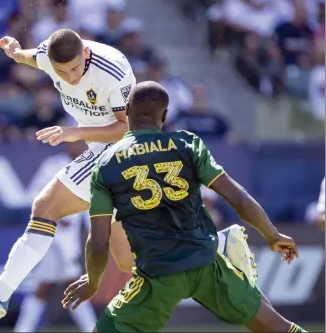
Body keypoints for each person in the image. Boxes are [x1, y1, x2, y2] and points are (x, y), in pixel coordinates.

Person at [0, 29, 257, 320]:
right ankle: (218, 244)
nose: (69, 77)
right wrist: (17, 53)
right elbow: (35, 57)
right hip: (109, 151)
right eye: (62, 72)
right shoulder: (50, 56)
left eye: (74, 69)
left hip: (120, 149)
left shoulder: (112, 70)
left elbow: (128, 127)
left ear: (86, 52)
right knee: (126, 258)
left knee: (45, 208)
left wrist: (75, 133)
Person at [62, 81, 306, 333]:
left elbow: (99, 241)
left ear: (126, 111)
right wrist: (272, 235)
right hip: (205, 261)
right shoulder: (188, 144)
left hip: (158, 271)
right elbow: (240, 199)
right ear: (165, 116)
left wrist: (93, 282)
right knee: (278, 328)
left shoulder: (107, 164)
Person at [14, 142, 97, 332]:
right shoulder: (52, 165)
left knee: (69, 286)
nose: (81, 147)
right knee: (47, 286)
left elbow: (90, 205)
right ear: (68, 144)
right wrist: (56, 214)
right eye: (78, 143)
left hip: (70, 241)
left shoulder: (89, 167)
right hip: (50, 236)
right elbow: (35, 195)